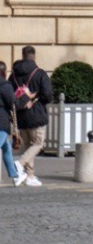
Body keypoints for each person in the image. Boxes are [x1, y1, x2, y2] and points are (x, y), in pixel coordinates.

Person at [10, 46, 51, 187]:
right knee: (38, 144)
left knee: (28, 145)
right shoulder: (39, 73)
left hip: (21, 116)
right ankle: (20, 163)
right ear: (34, 56)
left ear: (23, 56)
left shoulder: (13, 75)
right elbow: (48, 95)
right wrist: (35, 97)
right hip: (36, 115)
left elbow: (10, 95)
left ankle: (30, 176)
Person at [0, 62, 24, 187]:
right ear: (4, 72)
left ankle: (15, 175)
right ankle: (15, 175)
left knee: (6, 149)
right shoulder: (4, 85)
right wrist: (25, 97)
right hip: (1, 121)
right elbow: (13, 103)